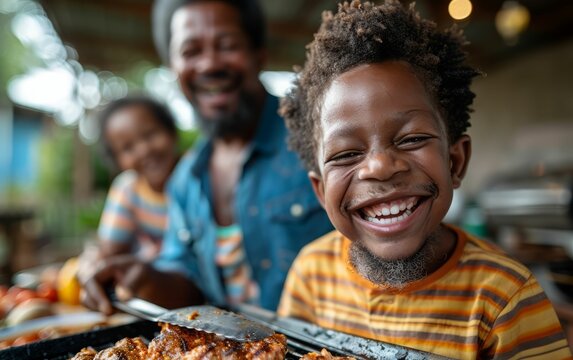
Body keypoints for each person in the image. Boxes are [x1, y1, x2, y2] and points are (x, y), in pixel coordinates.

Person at [277, 1, 571, 359]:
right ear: (321, 191)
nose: (381, 167)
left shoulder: (505, 298)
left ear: (455, 161)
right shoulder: (311, 274)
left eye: (412, 139)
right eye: (346, 154)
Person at [79, 0, 333, 314]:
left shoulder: (319, 136)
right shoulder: (186, 179)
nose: (209, 64)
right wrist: (142, 277)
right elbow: (189, 289)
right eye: (190, 51)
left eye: (227, 45)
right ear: (173, 68)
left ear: (259, 54)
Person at [94, 96, 181, 260]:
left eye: (151, 134)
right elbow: (109, 250)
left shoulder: (197, 175)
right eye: (127, 147)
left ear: (172, 132)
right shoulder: (128, 189)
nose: (144, 150)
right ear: (116, 160)